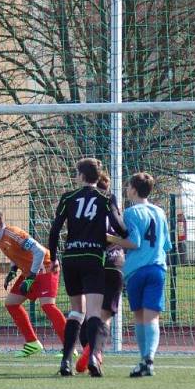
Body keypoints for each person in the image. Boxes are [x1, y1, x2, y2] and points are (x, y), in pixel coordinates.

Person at [48, 158, 128, 377]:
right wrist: (126, 234)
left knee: (76, 311)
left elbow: (55, 230)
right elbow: (119, 225)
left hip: (71, 257)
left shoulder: (68, 198)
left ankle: (65, 361)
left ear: (81, 176)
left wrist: (53, 258)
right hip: (93, 257)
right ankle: (92, 356)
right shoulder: (105, 197)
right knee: (93, 311)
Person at [109, 172, 172, 377]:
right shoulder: (160, 212)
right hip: (157, 269)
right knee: (152, 317)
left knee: (139, 317)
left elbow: (134, 242)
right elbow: (166, 245)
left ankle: (145, 359)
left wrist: (110, 238)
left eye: (128, 187)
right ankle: (148, 360)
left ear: (134, 190)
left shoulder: (131, 212)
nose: (127, 190)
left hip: (136, 271)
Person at [0, 208, 66, 357]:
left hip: (45, 268)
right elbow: (17, 254)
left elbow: (39, 251)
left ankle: (69, 346)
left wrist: (31, 277)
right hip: (30, 272)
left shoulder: (12, 233)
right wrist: (13, 270)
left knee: (48, 306)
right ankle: (32, 343)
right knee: (11, 303)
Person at [76, 172, 124, 373]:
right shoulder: (114, 208)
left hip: (92, 262)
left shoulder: (86, 209)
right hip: (115, 263)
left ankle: (89, 352)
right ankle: (94, 354)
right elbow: (122, 234)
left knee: (90, 313)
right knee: (105, 317)